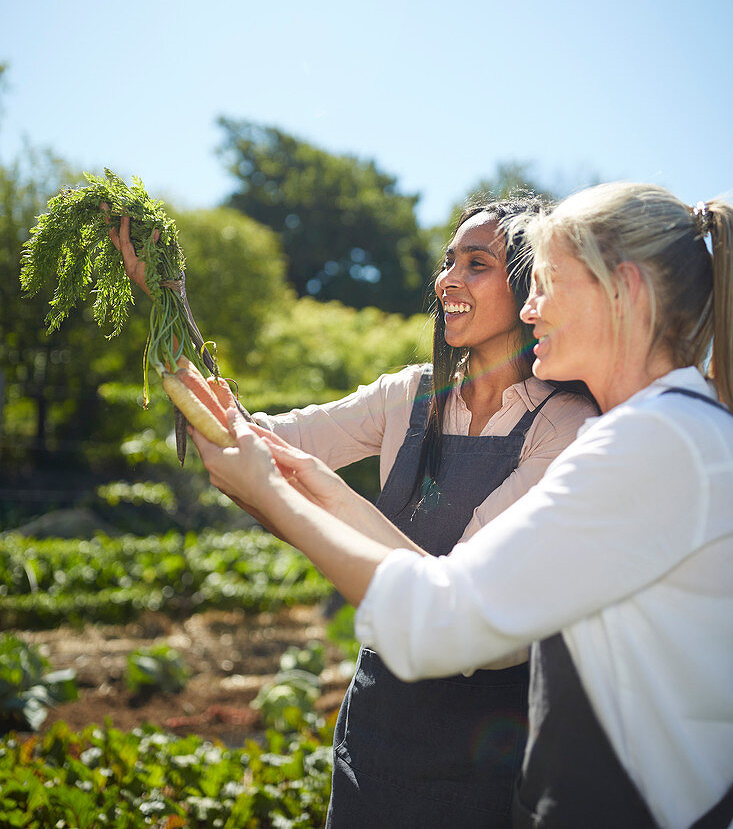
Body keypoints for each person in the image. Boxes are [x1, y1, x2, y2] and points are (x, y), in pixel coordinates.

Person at [191, 183, 733, 829]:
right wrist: (304, 477)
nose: (533, 309)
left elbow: (444, 617)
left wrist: (273, 497)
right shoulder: (671, 434)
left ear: (625, 291)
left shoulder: (647, 444)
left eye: (549, 281)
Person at [107, 194, 597, 828]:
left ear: (532, 281)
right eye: (449, 261)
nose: (448, 279)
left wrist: (294, 491)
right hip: (377, 722)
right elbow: (261, 441)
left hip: (489, 740)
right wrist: (169, 304)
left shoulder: (563, 425)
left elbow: (457, 599)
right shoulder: (410, 394)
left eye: (478, 263)